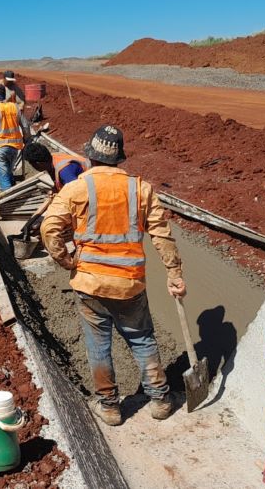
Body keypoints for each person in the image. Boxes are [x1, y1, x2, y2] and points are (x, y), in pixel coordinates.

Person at [40, 125, 185, 426]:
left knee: (98, 346)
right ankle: (159, 399)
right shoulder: (141, 189)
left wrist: (66, 260)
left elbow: (48, 228)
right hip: (129, 285)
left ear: (90, 156)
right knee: (143, 339)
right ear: (119, 158)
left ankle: (109, 407)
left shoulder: (76, 188)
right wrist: (174, 272)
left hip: (90, 284)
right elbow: (161, 233)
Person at [22, 142, 90, 192]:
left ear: (39, 164)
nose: (33, 167)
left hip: (93, 183)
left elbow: (79, 192)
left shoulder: (64, 171)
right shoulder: (50, 160)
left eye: (32, 164)